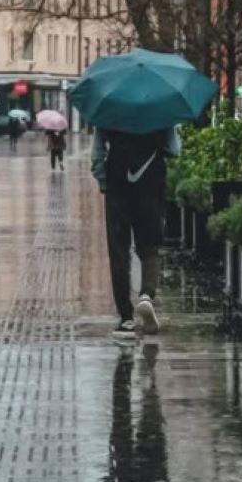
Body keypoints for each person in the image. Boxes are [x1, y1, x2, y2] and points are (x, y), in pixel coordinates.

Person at [92, 125, 180, 340]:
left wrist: (103, 181)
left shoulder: (110, 105)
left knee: (119, 251)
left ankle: (126, 319)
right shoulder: (161, 107)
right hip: (151, 181)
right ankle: (147, 295)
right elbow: (174, 149)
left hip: (117, 182)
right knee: (150, 247)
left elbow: (97, 153)